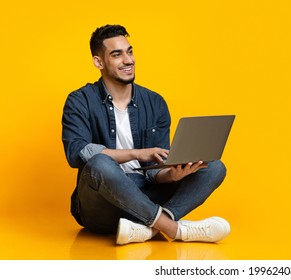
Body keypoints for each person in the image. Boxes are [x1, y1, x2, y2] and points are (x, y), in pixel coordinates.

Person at [62, 24, 230, 245]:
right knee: (99, 163)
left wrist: (172, 175)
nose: (128, 60)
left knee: (215, 166)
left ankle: (147, 228)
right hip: (101, 206)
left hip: (145, 195)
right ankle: (174, 228)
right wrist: (138, 154)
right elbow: (76, 154)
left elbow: (155, 171)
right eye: (117, 54)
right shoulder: (79, 101)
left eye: (130, 51)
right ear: (98, 62)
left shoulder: (155, 102)